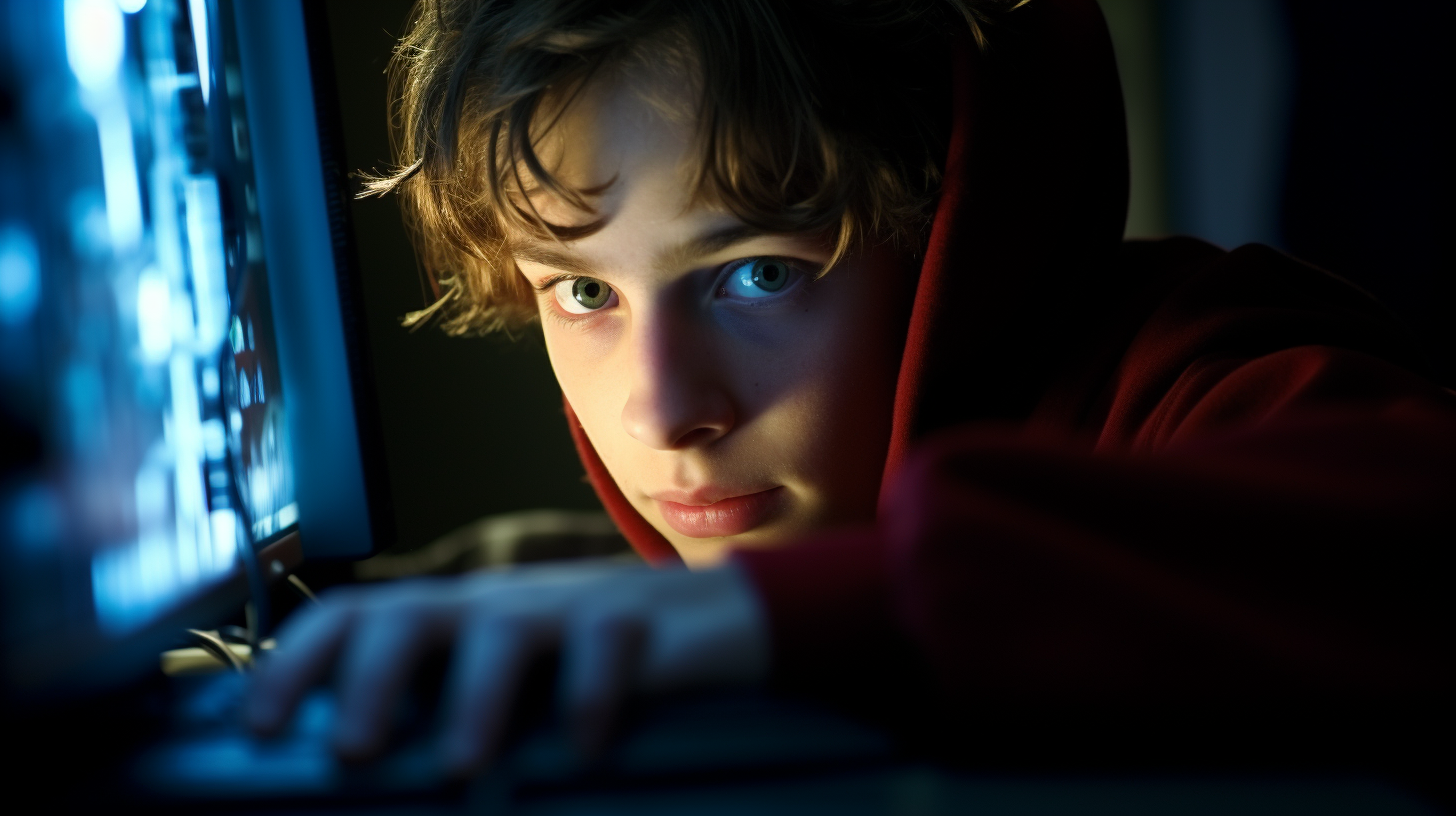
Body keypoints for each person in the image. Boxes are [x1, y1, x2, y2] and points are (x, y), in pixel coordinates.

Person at [246, 0, 1455, 780]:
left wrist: (773, 614)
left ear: (959, 230)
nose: (663, 415)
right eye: (583, 295)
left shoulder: (1193, 367)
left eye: (757, 273)